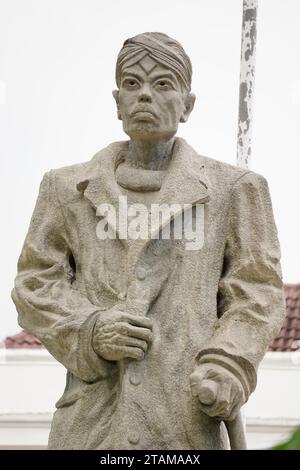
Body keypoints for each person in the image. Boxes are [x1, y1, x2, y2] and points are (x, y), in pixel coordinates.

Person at [11, 32, 286, 449]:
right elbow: (34, 285)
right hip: (92, 424)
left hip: (185, 422)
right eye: (132, 83)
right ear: (117, 100)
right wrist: (89, 328)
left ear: (187, 105)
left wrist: (229, 360)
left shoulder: (235, 190)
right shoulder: (65, 189)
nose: (144, 96)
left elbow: (257, 292)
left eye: (163, 84)